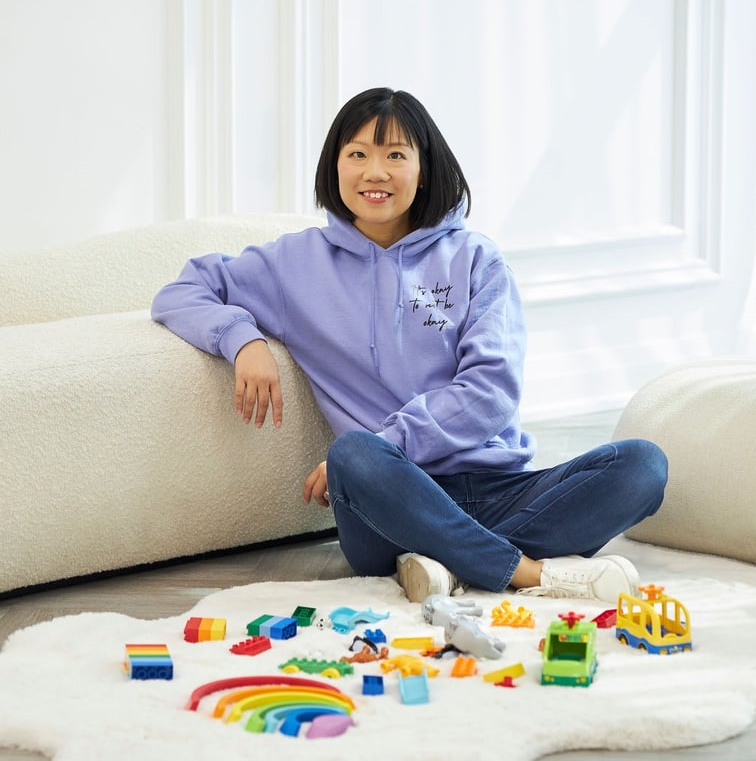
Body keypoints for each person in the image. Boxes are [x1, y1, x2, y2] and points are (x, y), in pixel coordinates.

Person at [151, 87, 668, 604]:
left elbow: (490, 393)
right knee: (354, 453)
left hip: (498, 488)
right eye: (357, 154)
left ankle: (447, 564)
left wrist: (398, 438)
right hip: (388, 502)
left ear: (424, 169)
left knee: (643, 466)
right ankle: (526, 572)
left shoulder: (475, 259)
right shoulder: (294, 265)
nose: (375, 172)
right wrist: (243, 340)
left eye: (395, 155)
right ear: (334, 166)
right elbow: (183, 290)